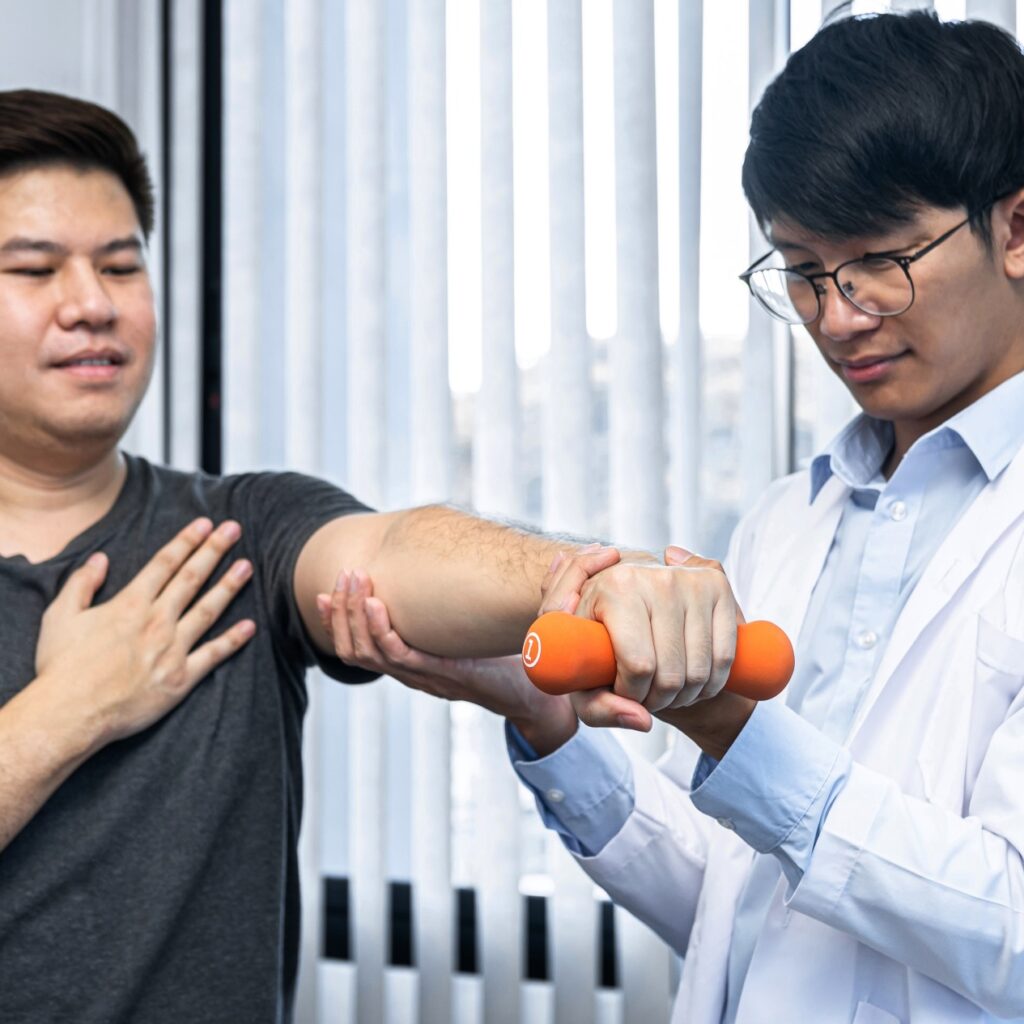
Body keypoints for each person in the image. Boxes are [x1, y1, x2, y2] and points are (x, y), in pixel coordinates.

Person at [329, 11, 1024, 1023]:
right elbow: (738, 900)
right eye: (799, 270)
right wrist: (546, 724)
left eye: (880, 258)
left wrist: (737, 734)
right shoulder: (790, 519)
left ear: (1013, 229)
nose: (837, 316)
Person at [0, 89, 731, 1023]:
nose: (93, 303)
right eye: (35, 269)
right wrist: (69, 709)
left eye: (119, 264)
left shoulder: (238, 534)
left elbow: (393, 552)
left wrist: (602, 580)